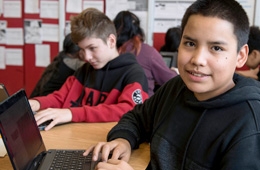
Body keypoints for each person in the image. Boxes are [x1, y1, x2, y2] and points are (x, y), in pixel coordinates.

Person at [83, 0, 260, 169]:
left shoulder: (248, 125)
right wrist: (124, 140)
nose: (197, 59)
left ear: (241, 56)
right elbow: (136, 118)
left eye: (216, 48)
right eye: (190, 43)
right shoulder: (175, 87)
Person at [29, 8, 149, 131]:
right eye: (82, 49)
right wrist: (36, 103)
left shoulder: (133, 73)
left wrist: (72, 113)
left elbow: (130, 110)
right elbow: (61, 98)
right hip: (74, 136)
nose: (87, 57)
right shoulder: (85, 70)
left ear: (111, 41)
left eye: (92, 48)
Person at [113, 11, 178, 97]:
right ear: (138, 29)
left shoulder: (109, 51)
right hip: (143, 106)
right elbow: (170, 80)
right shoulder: (148, 52)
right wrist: (174, 71)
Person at [30, 33, 85, 98]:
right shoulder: (75, 64)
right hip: (45, 103)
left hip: (38, 99)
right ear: (80, 52)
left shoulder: (61, 58)